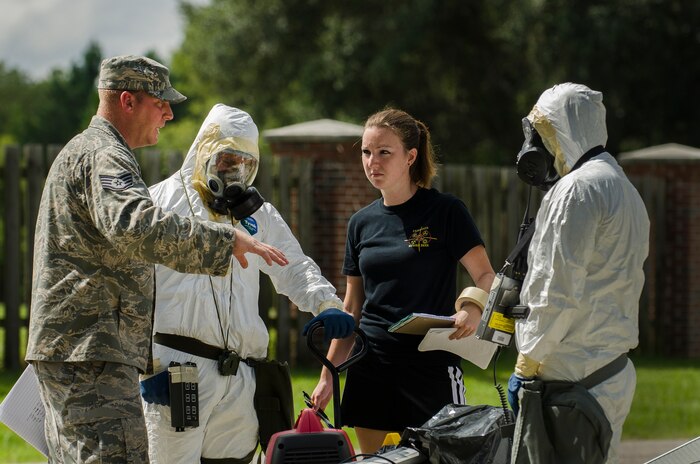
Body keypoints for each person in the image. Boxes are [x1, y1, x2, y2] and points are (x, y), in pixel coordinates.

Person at [25, 56, 288, 463]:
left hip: (86, 349)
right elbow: (134, 226)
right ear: (127, 101)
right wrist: (224, 241)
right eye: (159, 101)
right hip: (92, 353)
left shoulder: (90, 151)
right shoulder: (104, 155)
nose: (168, 112)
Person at [140, 103, 355, 463]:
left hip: (241, 377)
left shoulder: (256, 215)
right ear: (205, 152)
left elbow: (293, 266)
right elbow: (129, 294)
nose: (234, 171)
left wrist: (326, 304)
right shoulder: (158, 204)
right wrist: (146, 366)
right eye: (227, 159)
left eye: (245, 163)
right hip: (176, 373)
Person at [310, 108, 496, 454]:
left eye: (384, 152)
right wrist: (327, 376)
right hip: (372, 367)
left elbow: (486, 274)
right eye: (366, 152)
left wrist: (471, 307)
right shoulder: (360, 223)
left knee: (442, 460)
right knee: (370, 463)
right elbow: (352, 308)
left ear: (410, 156)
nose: (372, 162)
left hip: (432, 366)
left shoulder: (445, 211)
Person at [507, 83, 650, 463]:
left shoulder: (577, 190)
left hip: (571, 381)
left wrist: (527, 364)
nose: (537, 147)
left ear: (563, 129)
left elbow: (557, 291)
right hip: (608, 375)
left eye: (543, 134)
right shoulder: (624, 188)